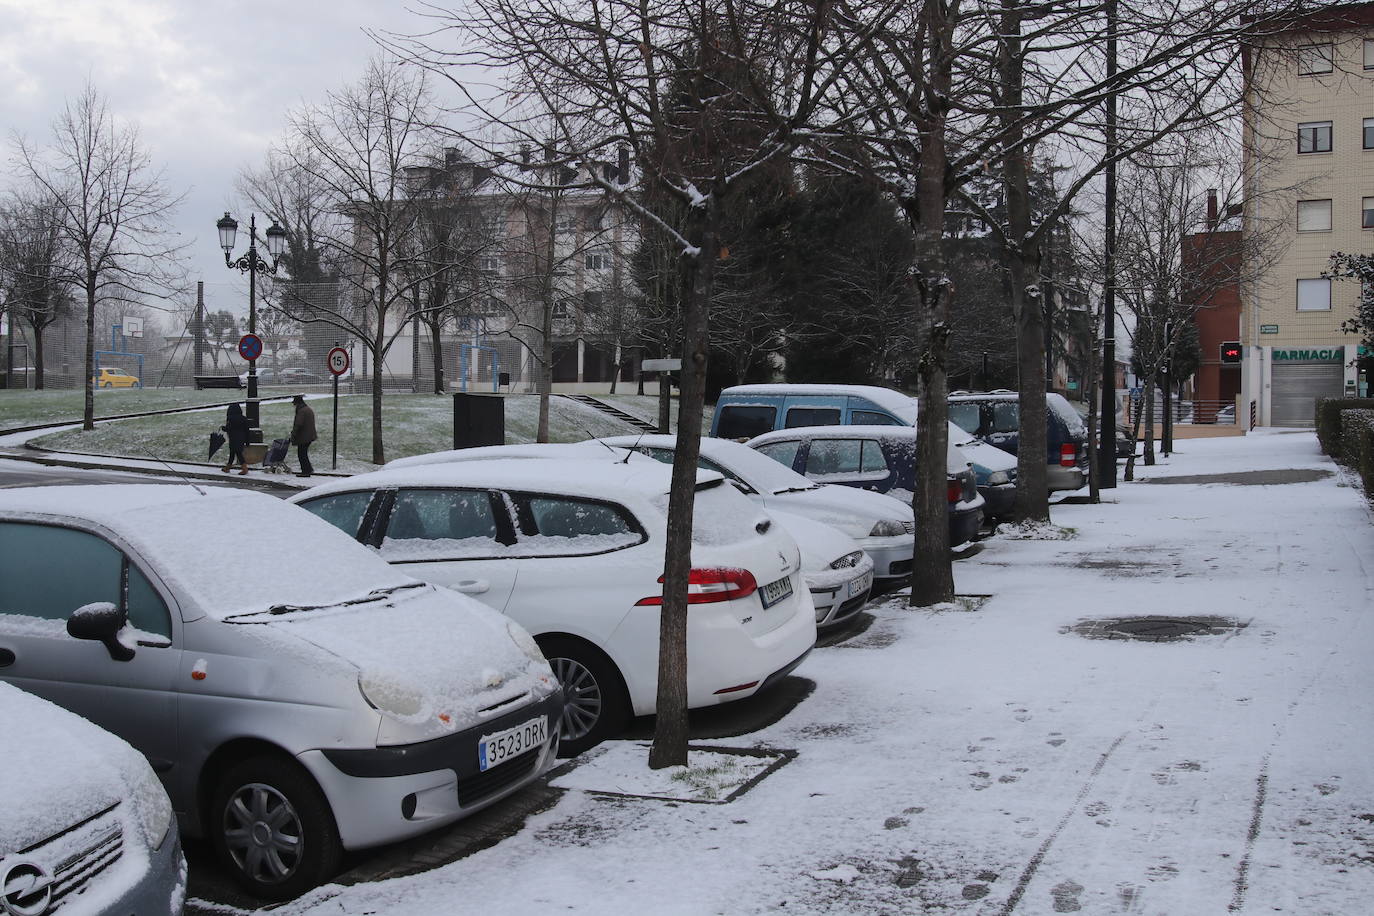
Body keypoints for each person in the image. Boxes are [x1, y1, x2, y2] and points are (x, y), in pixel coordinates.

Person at [290, 394, 317, 478]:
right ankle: (309, 469)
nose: (294, 405)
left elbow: (298, 424)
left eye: (294, 403)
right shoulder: (307, 409)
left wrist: (293, 435)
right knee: (303, 453)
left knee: (301, 454)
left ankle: (306, 471)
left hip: (304, 436)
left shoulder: (301, 411)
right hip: (310, 435)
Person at [221, 403, 250, 475]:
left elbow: (229, 428)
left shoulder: (230, 418)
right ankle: (228, 468)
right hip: (241, 438)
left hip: (233, 438)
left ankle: (244, 469)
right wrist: (247, 441)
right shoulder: (244, 418)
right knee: (234, 452)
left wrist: (223, 428)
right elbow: (247, 430)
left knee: (237, 453)